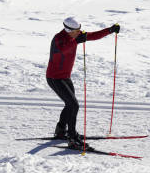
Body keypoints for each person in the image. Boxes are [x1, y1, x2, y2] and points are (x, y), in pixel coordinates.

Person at [46, 17, 120, 149]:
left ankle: (61, 130)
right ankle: (72, 138)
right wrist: (75, 42)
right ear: (69, 30)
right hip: (54, 78)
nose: (79, 32)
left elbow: (92, 35)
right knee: (73, 105)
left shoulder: (75, 36)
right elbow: (62, 51)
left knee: (70, 104)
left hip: (65, 77)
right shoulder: (58, 39)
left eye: (80, 30)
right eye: (77, 31)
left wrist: (110, 30)